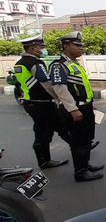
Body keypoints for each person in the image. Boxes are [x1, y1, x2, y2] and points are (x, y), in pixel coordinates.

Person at [49, 31, 104, 182]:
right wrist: (73, 109)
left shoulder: (75, 64)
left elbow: (82, 87)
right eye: (77, 45)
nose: (81, 48)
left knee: (86, 139)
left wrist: (89, 104)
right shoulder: (58, 65)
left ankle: (85, 165)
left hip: (84, 106)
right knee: (79, 141)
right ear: (66, 46)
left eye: (82, 45)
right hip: (74, 109)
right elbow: (60, 89)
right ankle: (80, 172)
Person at [14, 35, 70, 169]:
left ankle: (80, 146)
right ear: (32, 48)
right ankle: (44, 161)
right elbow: (46, 83)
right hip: (41, 103)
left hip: (31, 101)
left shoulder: (19, 63)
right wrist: (60, 98)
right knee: (43, 132)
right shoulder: (35, 63)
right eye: (40, 47)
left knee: (61, 125)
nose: (43, 50)